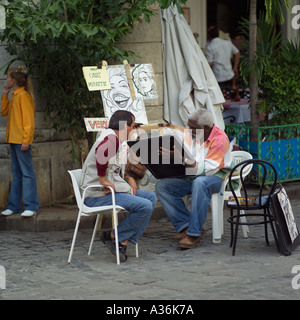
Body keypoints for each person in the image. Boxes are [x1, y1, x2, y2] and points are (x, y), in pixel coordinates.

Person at [80, 110, 157, 262]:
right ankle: (114, 236)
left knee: (151, 197)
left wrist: (129, 178)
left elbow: (114, 169)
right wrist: (102, 180)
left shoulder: (113, 138)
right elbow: (102, 154)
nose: (134, 129)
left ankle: (121, 241)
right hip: (96, 196)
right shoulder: (111, 139)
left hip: (109, 192)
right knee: (145, 206)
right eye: (133, 126)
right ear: (124, 126)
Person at [155, 108, 232, 249]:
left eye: (193, 128)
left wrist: (181, 158)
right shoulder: (192, 135)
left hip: (217, 178)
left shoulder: (219, 139)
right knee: (163, 186)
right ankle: (186, 227)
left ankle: (194, 234)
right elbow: (188, 158)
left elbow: (207, 170)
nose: (189, 131)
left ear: (206, 128)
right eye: (189, 126)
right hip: (193, 176)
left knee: (200, 182)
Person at [1, 66, 39, 217]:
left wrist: (26, 140)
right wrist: (5, 94)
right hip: (13, 140)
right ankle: (14, 206)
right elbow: (4, 112)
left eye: (8, 78)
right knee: (16, 173)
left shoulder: (23, 96)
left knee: (27, 173)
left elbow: (29, 122)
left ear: (14, 80)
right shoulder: (15, 96)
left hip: (21, 141)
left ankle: (31, 206)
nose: (6, 80)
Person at [205, 25, 240, 90]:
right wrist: (235, 66)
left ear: (209, 35)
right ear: (218, 34)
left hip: (218, 77)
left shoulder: (209, 47)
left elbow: (209, 64)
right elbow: (237, 52)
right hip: (229, 75)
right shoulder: (227, 43)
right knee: (230, 97)